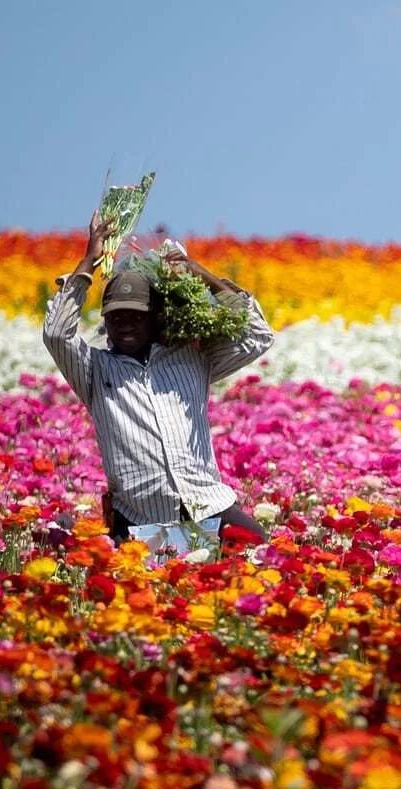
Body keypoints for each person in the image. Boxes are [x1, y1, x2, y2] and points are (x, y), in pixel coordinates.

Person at [42, 208, 275, 555]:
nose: (125, 324)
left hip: (206, 505)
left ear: (155, 319)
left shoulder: (192, 358)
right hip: (140, 520)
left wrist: (198, 273)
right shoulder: (94, 370)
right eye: (116, 316)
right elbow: (58, 333)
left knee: (269, 558)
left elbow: (257, 334)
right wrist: (88, 262)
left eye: (136, 315)